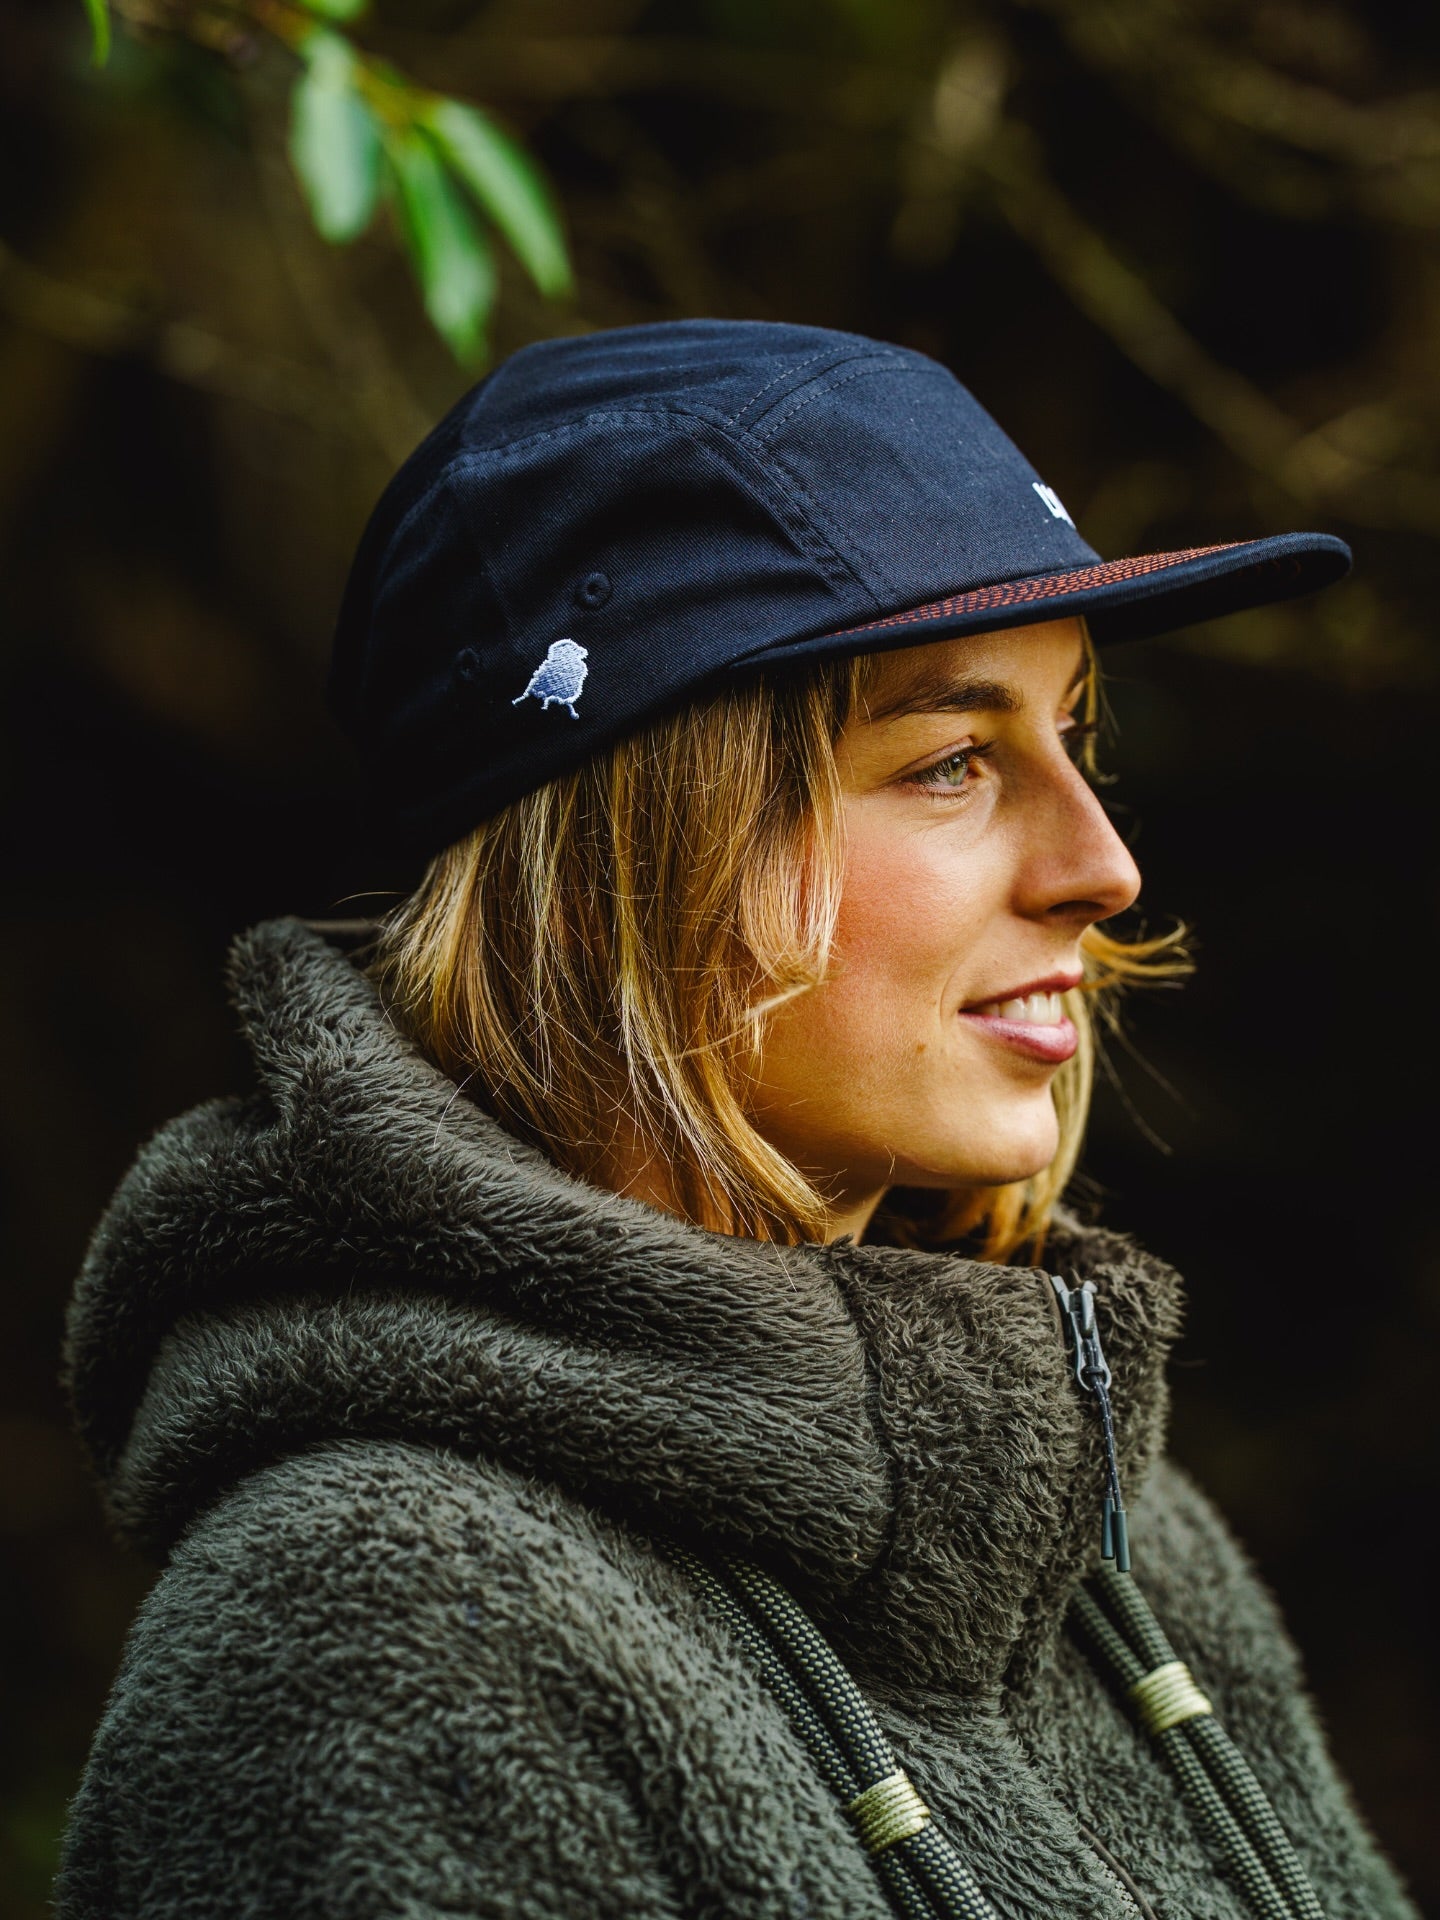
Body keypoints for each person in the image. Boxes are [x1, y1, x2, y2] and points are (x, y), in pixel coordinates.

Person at [57, 321, 1415, 1920]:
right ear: (629, 865)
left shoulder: (1118, 1546)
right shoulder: (380, 1629)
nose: (1102, 865)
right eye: (953, 760)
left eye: (1079, 736)